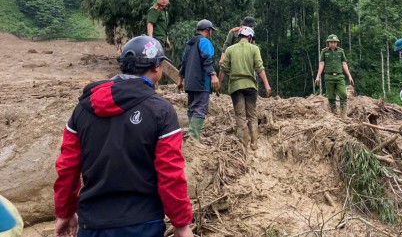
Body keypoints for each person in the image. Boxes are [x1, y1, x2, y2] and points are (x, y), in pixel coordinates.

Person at [53, 35, 193, 237]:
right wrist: (181, 224)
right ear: (156, 67)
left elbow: (67, 168)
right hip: (144, 223)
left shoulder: (82, 109)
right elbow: (170, 174)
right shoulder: (161, 111)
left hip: (92, 224)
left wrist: (64, 213)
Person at [220, 26, 271, 150]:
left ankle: (243, 144)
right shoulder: (254, 49)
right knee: (252, 115)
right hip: (251, 87)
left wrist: (219, 83)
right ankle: (254, 143)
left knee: (240, 115)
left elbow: (223, 68)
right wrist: (267, 85)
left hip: (236, 87)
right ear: (249, 37)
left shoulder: (230, 50)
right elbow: (259, 68)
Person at [177, 19, 219, 139]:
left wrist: (180, 81)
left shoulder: (189, 44)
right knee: (200, 108)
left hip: (190, 83)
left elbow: (183, 63)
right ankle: (194, 137)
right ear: (207, 30)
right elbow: (207, 60)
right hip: (201, 82)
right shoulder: (204, 42)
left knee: (192, 108)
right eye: (211, 31)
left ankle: (192, 136)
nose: (211, 33)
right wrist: (213, 75)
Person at [315, 34, 354, 119]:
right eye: (331, 42)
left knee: (343, 94)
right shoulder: (324, 52)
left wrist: (349, 76)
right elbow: (321, 64)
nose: (333, 44)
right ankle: (334, 114)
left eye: (335, 42)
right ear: (328, 43)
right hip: (328, 77)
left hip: (339, 77)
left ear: (337, 43)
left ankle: (344, 115)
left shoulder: (340, 51)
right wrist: (318, 76)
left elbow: (344, 63)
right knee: (331, 96)